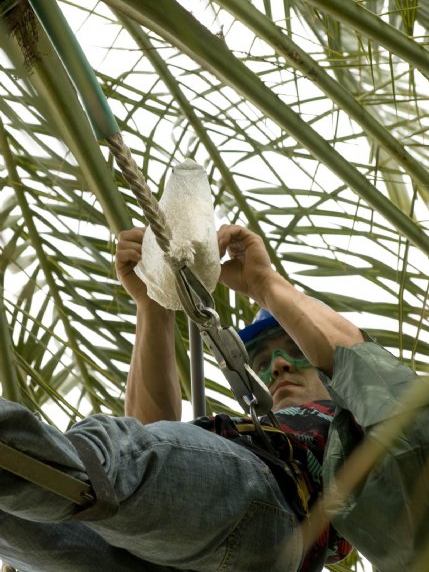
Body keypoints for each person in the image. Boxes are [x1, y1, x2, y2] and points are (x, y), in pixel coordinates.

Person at [0, 224, 427, 572]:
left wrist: (263, 281)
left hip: (272, 502)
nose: (276, 366)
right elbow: (141, 458)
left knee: (112, 455)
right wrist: (153, 306)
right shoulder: (262, 433)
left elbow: (352, 358)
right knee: (23, 522)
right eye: (262, 357)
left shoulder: (353, 420)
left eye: (293, 349)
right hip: (194, 552)